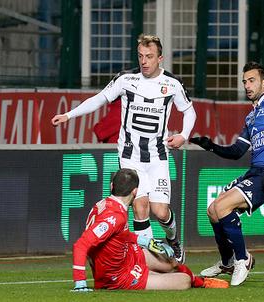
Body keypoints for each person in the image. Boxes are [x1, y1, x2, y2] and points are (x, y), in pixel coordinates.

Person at [52, 35, 196, 263]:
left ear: (160, 58)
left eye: (149, 57)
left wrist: (183, 135)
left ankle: (174, 239)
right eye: (140, 56)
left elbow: (189, 111)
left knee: (160, 212)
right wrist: (69, 115)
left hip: (158, 157)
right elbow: (99, 99)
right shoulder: (126, 79)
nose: (144, 61)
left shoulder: (172, 84)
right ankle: (144, 259)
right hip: (131, 156)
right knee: (140, 207)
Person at [189, 61, 264, 286]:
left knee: (222, 207)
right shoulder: (251, 116)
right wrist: (211, 146)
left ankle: (242, 259)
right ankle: (227, 262)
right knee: (212, 211)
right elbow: (237, 151)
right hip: (254, 171)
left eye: (252, 80)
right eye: (245, 81)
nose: (247, 85)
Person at [71, 168, 228, 291]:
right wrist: (80, 282)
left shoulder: (106, 205)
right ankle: (195, 281)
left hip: (126, 257)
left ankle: (196, 280)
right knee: (184, 281)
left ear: (112, 186)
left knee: (170, 263)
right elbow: (81, 245)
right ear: (135, 191)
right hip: (117, 276)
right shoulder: (114, 216)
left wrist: (146, 241)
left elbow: (117, 234)